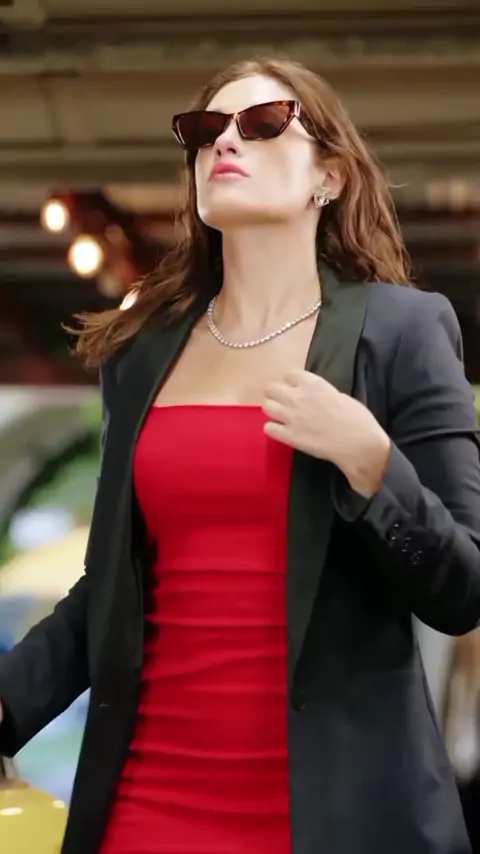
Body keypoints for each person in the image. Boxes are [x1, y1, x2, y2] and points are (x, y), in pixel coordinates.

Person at [0, 55, 479, 854]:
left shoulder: (402, 332)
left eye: (262, 125)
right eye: (205, 130)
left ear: (329, 175)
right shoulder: (142, 353)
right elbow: (108, 594)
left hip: (335, 815)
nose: (225, 142)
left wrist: (374, 466)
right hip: (148, 803)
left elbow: (463, 590)